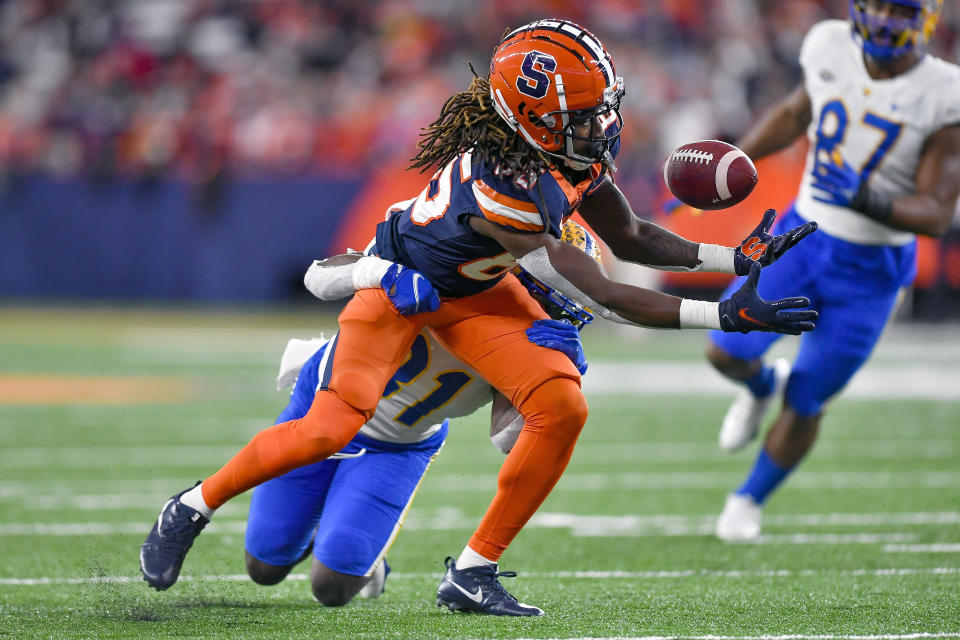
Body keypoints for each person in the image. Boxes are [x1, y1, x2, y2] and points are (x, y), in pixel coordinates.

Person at [141, 18, 818, 616]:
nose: (603, 125)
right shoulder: (512, 191)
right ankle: (192, 505)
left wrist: (736, 256)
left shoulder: (553, 155)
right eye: (584, 115)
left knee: (562, 402)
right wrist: (726, 317)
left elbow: (632, 236)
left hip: (477, 294)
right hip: (406, 295)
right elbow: (605, 293)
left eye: (600, 108)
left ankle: (472, 570)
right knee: (326, 433)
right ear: (537, 122)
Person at [244, 220, 599, 608]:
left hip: (398, 444)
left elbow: (509, 441)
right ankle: (316, 522)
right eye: (559, 291)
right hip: (323, 407)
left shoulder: (535, 343)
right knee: (263, 567)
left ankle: (359, 548)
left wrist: (563, 378)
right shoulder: (438, 263)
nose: (566, 307)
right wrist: (378, 270)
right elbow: (325, 274)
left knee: (331, 589)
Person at [709, 0, 960, 541]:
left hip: (872, 267)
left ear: (927, 18)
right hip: (802, 239)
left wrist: (867, 199)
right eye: (878, 7)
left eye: (901, 11)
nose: (887, 21)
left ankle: (748, 498)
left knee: (807, 398)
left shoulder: (945, 93)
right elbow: (799, 112)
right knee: (723, 349)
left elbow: (937, 213)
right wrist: (733, 163)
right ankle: (757, 386)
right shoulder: (828, 43)